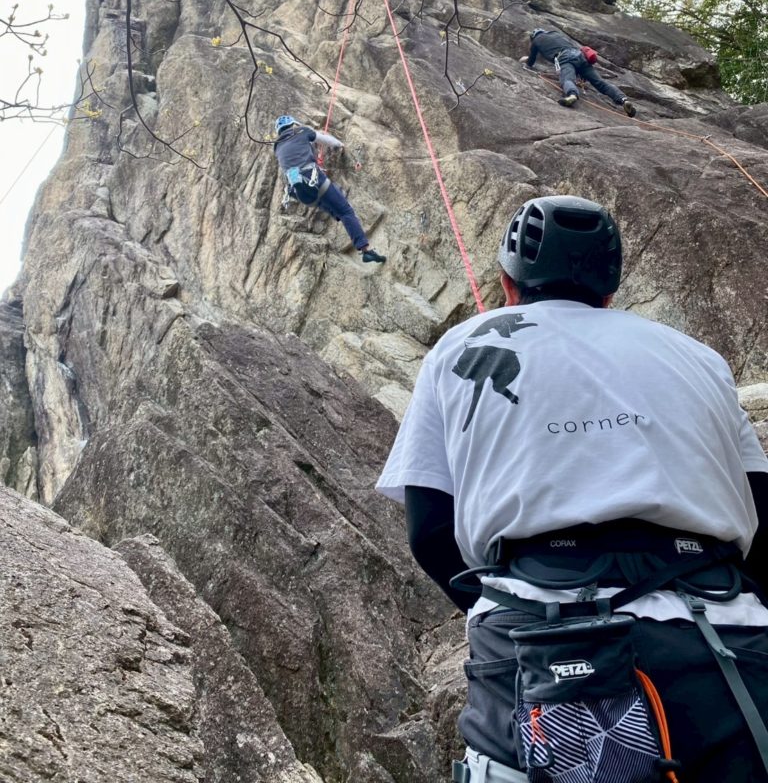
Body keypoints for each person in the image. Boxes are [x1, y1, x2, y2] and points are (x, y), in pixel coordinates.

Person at [376, 194, 768, 783]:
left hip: (546, 640)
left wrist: (497, 601)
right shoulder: (698, 358)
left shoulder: (459, 348)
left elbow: (429, 529)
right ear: (609, 293)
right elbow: (761, 509)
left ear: (508, 284)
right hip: (726, 640)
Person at [273, 115, 386, 263]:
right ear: (293, 124)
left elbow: (294, 157)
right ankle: (365, 250)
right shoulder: (302, 131)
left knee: (335, 207)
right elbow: (328, 141)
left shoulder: (277, 147)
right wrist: (340, 144)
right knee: (346, 211)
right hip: (316, 181)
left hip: (304, 195)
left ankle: (334, 211)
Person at [521, 28, 636, 117]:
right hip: (580, 56)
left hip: (564, 57)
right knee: (600, 82)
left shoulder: (536, 40)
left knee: (567, 79)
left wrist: (526, 62)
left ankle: (572, 95)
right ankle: (623, 100)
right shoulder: (555, 33)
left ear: (533, 36)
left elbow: (531, 61)